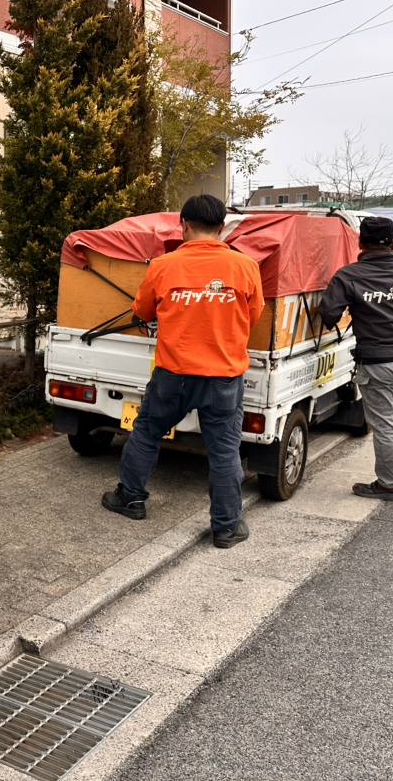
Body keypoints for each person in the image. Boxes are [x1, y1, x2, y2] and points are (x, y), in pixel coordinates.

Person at [101, 194, 264, 549]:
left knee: (146, 432)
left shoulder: (163, 266)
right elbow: (252, 317)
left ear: (184, 225)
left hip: (173, 376)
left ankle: (130, 499)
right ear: (222, 227)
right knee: (224, 450)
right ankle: (226, 527)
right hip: (223, 378)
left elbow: (142, 310)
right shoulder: (245, 267)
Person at [320, 216, 393, 501]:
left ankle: (390, 484)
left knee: (386, 424)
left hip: (376, 361)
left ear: (360, 242)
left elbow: (328, 315)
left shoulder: (348, 275)